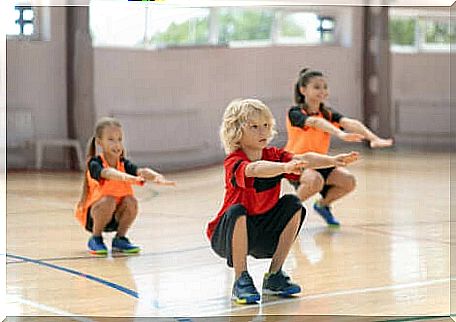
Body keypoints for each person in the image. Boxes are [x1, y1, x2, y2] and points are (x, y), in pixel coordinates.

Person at [207, 98, 359, 304]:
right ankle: (240, 280)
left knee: (292, 204)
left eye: (266, 126)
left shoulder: (274, 155)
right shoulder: (234, 161)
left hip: (262, 234)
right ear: (236, 131)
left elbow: (304, 157)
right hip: (227, 236)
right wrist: (284, 168)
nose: (263, 132)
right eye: (254, 127)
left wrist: (332, 160)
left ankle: (274, 276)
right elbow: (255, 169)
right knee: (237, 211)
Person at [285, 68, 393, 227]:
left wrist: (373, 138)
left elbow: (349, 123)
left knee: (348, 181)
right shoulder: (295, 112)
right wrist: (339, 134)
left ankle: (322, 205)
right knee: (315, 181)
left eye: (324, 87)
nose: (322, 91)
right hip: (298, 163)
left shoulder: (327, 113)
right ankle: (286, 214)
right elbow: (315, 122)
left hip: (320, 162)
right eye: (316, 87)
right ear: (303, 90)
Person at [75, 117, 175, 255]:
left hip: (115, 216)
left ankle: (120, 239)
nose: (116, 144)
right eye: (111, 140)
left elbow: (141, 171)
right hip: (94, 217)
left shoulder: (124, 164)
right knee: (109, 200)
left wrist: (156, 177)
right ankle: (96, 238)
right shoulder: (95, 163)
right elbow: (108, 173)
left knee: (131, 201)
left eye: (119, 139)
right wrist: (126, 177)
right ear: (99, 142)